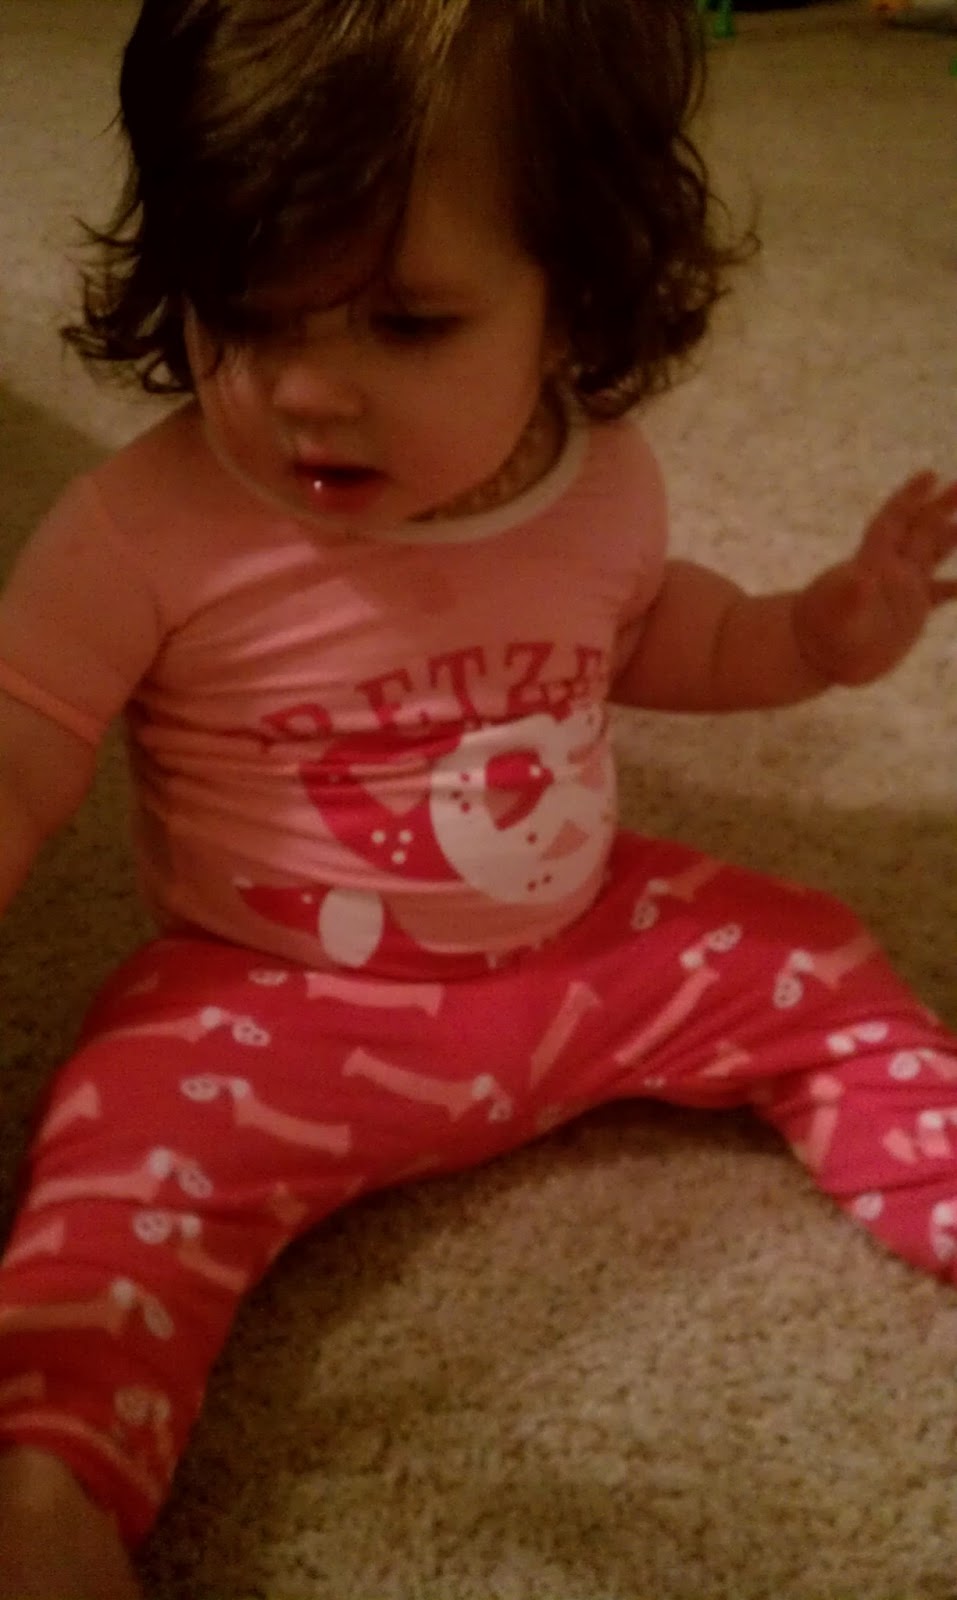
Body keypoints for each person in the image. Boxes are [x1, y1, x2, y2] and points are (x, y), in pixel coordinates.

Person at [0, 0, 955, 1593]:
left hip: (584, 952)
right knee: (108, 1190)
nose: (308, 389)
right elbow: (23, 744)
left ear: (572, 297)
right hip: (267, 1001)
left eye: (404, 324)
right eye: (246, 316)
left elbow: (652, 637)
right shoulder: (137, 529)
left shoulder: (602, 479)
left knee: (814, 951)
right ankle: (55, 1497)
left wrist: (808, 635)